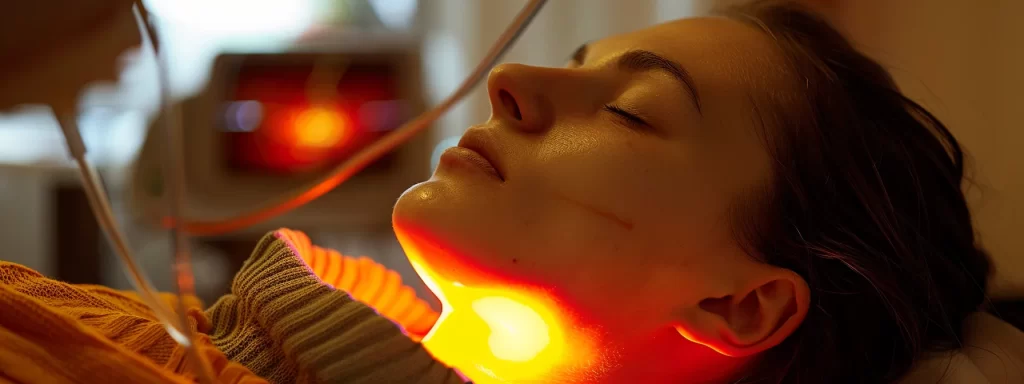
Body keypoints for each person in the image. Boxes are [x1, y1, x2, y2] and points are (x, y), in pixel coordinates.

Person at [391, 1, 1024, 383]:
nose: (509, 80)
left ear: (739, 305)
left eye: (629, 112)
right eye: (576, 65)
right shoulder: (318, 299)